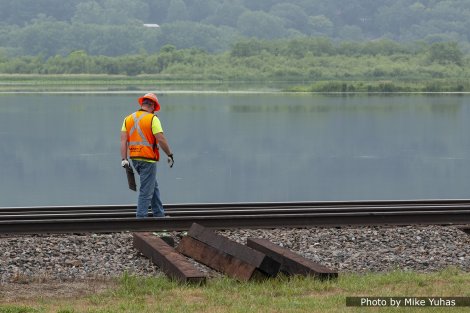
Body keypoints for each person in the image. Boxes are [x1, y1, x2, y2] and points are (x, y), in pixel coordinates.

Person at [120, 92, 174, 218]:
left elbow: (123, 140)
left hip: (134, 159)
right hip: (148, 160)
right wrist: (169, 154)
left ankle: (159, 215)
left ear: (143, 104)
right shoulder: (153, 119)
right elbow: (161, 139)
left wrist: (124, 159)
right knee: (146, 191)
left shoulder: (128, 119)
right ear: (153, 106)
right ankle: (141, 219)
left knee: (152, 186)